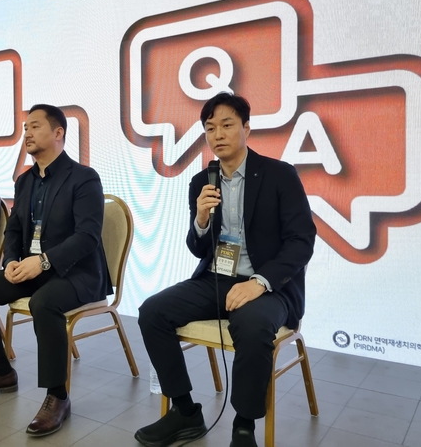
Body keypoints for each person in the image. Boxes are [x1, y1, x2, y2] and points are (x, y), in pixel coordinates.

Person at [135, 93, 316, 447]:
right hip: (216, 279)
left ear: (246, 128)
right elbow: (197, 248)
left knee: (251, 326)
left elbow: (301, 241)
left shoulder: (280, 175)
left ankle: (243, 426)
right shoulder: (202, 181)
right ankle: (185, 412)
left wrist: (259, 282)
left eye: (227, 125)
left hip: (270, 288)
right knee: (152, 312)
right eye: (210, 128)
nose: (217, 134)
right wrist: (201, 219)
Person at [0, 104, 111, 437]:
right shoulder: (25, 181)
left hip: (77, 273)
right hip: (31, 269)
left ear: (58, 133)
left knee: (45, 303)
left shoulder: (83, 178)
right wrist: (10, 260)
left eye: (35, 126)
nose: (26, 133)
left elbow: (87, 237)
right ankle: (1, 371)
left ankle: (58, 396)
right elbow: (13, 230)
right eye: (25, 127)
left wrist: (42, 261)